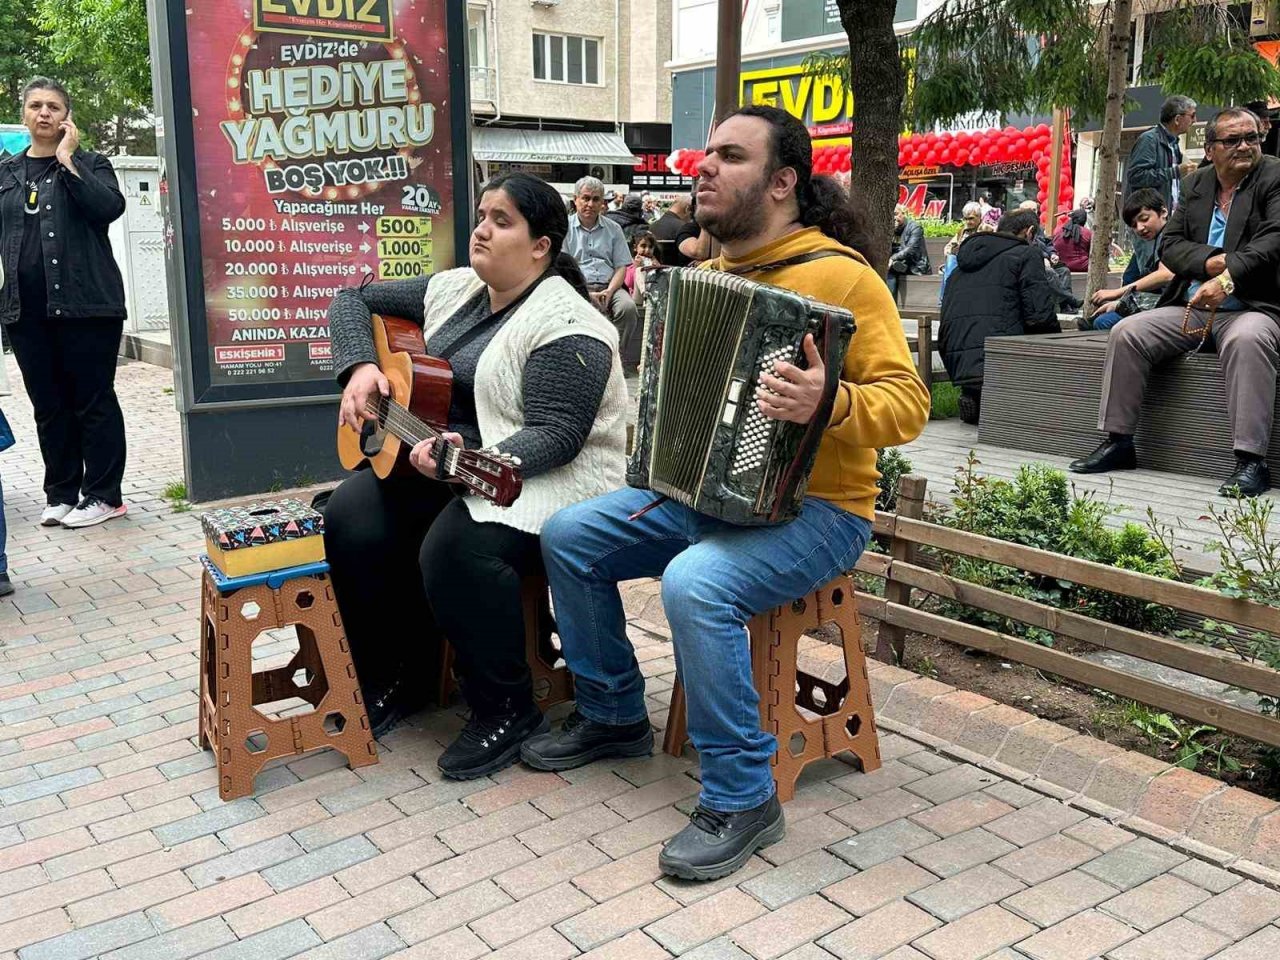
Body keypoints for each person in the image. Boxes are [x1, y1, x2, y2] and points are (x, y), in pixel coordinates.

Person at [522, 104, 930, 881]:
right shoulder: (702, 279)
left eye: (729, 156)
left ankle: (744, 795)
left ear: (782, 182)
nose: (703, 167)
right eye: (705, 153)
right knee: (570, 535)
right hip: (699, 495)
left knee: (696, 582)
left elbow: (907, 408)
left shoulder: (843, 277)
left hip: (820, 512)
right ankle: (612, 717)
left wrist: (830, 402)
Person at [323, 172, 629, 777]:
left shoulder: (570, 324)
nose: (482, 229)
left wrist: (469, 464)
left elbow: (558, 434)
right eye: (481, 215)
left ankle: (506, 708)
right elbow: (351, 298)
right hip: (438, 462)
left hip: (542, 478)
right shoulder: (454, 288)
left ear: (541, 246)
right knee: (350, 516)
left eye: (502, 220)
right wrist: (359, 368)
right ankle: (398, 677)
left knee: (457, 547)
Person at [1070, 108, 1280, 498]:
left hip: (1253, 306)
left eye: (1251, 137)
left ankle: (1251, 462)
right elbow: (1171, 244)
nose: (1245, 146)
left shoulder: (1274, 175)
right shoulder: (1197, 183)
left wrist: (1228, 276)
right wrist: (1215, 260)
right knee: (1127, 331)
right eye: (1232, 140)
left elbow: (1274, 239)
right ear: (1211, 148)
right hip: (1191, 308)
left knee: (1248, 340)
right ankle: (1119, 443)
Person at [0, 77, 129, 530]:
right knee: (48, 404)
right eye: (35, 105)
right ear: (24, 114)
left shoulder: (93, 163)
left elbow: (107, 209)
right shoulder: (6, 172)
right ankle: (61, 493)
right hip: (25, 310)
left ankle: (103, 495)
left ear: (66, 116)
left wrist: (68, 159)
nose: (44, 113)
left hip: (87, 305)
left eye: (53, 106)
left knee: (92, 401)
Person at [939, 209, 1060, 424]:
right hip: (999, 356)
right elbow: (1039, 312)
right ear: (1029, 232)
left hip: (955, 355)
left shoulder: (962, 263)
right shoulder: (1026, 254)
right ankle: (1002, 399)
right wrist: (1057, 345)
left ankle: (974, 392)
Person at [565, 176, 642, 369]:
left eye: (596, 199)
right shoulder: (564, 228)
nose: (590, 204)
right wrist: (585, 293)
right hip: (577, 287)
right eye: (586, 198)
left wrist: (609, 291)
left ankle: (614, 359)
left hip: (611, 286)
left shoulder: (614, 229)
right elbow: (564, 269)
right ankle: (582, 363)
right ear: (576, 199)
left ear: (602, 203)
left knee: (628, 308)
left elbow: (621, 267)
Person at [1124, 95, 1198, 282]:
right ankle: (1127, 304)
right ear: (1178, 118)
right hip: (1147, 216)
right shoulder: (1149, 140)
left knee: (1147, 266)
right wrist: (1174, 171)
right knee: (1148, 269)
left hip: (1164, 219)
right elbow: (1136, 176)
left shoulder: (1173, 144)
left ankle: (1121, 299)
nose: (1194, 120)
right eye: (1192, 115)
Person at [1087, 189, 1172, 332]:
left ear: (1163, 212)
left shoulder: (1171, 236)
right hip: (1160, 303)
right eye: (1134, 225)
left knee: (1104, 323)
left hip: (1177, 308)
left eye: (1144, 219)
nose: (1140, 228)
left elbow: (1166, 274)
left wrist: (1117, 294)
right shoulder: (1152, 240)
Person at [886, 204, 930, 297]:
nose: (894, 218)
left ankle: (890, 303)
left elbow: (911, 249)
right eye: (891, 215)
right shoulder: (890, 228)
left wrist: (892, 259)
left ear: (904, 213)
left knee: (891, 269)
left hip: (914, 264)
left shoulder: (915, 227)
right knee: (890, 266)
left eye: (896, 214)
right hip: (896, 262)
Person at [623, 231, 659, 301]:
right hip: (634, 299)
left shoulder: (655, 263)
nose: (647, 250)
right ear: (635, 247)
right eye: (643, 246)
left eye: (650, 247)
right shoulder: (628, 265)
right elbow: (628, 284)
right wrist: (637, 268)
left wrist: (656, 268)